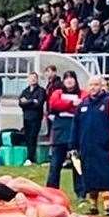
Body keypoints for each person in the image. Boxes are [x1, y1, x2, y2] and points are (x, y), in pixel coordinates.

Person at [70, 76, 109, 214]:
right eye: (91, 85)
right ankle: (93, 205)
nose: (93, 87)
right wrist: (73, 145)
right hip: (86, 146)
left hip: (104, 146)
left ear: (102, 86)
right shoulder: (83, 104)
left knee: (105, 176)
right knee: (89, 177)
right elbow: (75, 126)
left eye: (96, 84)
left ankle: (108, 205)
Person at [46, 71, 85, 199]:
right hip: (60, 131)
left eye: (71, 78)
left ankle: (81, 192)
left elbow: (82, 105)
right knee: (55, 163)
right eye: (66, 78)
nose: (69, 80)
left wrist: (65, 107)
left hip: (75, 131)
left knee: (76, 162)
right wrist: (70, 104)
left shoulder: (82, 93)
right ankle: (51, 192)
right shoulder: (57, 92)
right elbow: (54, 104)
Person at [18, 72, 46, 166]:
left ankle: (31, 158)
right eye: (31, 78)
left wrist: (28, 102)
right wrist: (32, 101)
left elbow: (39, 103)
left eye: (34, 78)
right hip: (26, 117)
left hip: (36, 117)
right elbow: (21, 103)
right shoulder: (25, 90)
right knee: (27, 137)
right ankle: (29, 158)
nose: (33, 79)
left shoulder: (41, 90)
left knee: (33, 137)